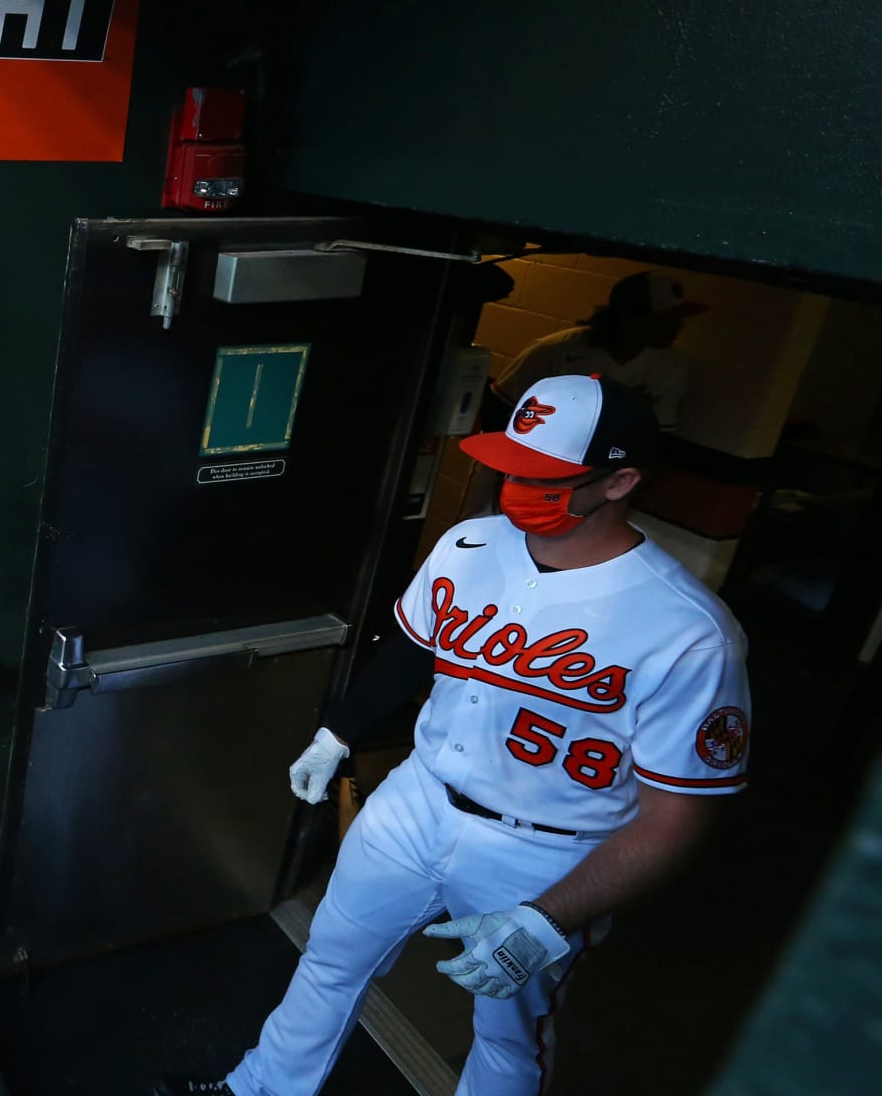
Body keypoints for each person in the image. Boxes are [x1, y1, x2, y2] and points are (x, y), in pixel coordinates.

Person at [160, 374, 750, 1095]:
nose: (514, 484)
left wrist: (547, 917)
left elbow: (677, 816)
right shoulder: (472, 541)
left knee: (507, 1039)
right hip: (418, 798)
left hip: (549, 850)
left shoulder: (688, 631)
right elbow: (410, 647)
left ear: (620, 480)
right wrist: (337, 733)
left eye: (544, 476)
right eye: (511, 465)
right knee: (330, 958)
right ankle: (260, 1090)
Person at [492, 271, 705, 432]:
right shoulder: (556, 349)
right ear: (631, 318)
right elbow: (498, 406)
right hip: (520, 457)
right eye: (668, 319)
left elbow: (654, 436)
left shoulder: (672, 365)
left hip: (590, 475)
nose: (679, 326)